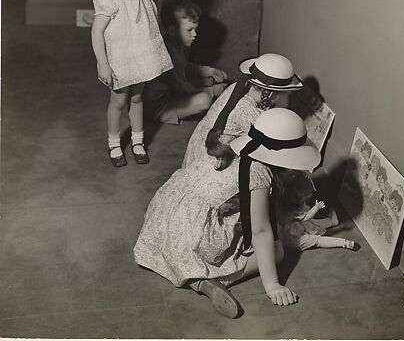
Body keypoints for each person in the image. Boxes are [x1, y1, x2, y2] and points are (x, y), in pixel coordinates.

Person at [134, 108, 321, 318]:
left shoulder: (234, 143)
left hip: (164, 214)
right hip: (191, 233)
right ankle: (210, 279)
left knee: (243, 216)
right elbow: (260, 231)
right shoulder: (259, 174)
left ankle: (189, 269)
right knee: (276, 251)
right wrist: (273, 285)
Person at [91, 0, 173, 167]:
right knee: (118, 102)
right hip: (120, 58)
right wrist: (103, 63)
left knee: (137, 97)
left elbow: (146, 19)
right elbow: (97, 32)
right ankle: (114, 142)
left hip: (141, 53)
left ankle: (138, 141)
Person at [182, 52, 302, 168]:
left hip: (202, 138)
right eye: (282, 94)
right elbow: (271, 144)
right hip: (212, 154)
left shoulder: (239, 86)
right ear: (270, 94)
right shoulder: (247, 110)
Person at [143, 0, 228, 125]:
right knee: (204, 100)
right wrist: (212, 91)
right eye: (189, 30)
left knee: (208, 81)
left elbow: (185, 67)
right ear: (172, 30)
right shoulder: (167, 54)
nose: (195, 34)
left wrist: (210, 71)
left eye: (195, 29)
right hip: (157, 108)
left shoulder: (177, 46)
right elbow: (182, 88)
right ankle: (163, 118)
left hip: (171, 92)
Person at [275, 170, 359, 251]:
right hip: (295, 239)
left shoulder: (281, 201)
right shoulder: (294, 213)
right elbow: (306, 217)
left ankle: (331, 222)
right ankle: (343, 243)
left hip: (284, 233)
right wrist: (316, 207)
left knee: (312, 224)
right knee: (318, 239)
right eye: (303, 200)